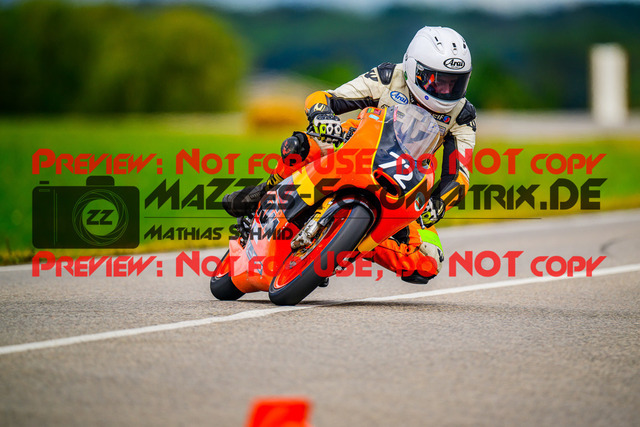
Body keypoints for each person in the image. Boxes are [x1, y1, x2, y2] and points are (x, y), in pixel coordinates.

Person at [223, 26, 476, 284]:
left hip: (404, 184)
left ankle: (330, 249)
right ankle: (262, 195)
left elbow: (459, 175)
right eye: (437, 80)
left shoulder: (462, 115)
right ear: (414, 69)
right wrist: (321, 115)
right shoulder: (389, 77)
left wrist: (439, 203)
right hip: (354, 146)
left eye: (455, 82)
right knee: (301, 146)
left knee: (427, 263)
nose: (446, 90)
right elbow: (327, 97)